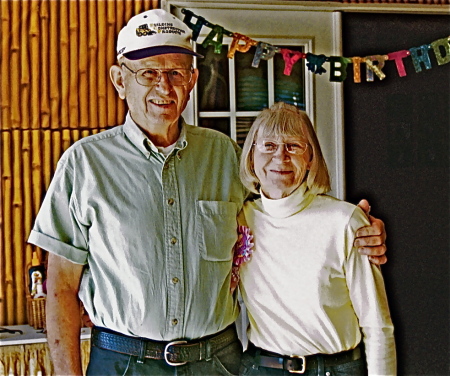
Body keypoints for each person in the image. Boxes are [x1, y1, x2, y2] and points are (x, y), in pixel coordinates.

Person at [27, 9, 387, 376]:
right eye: (148, 73)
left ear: (192, 79)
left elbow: (284, 219)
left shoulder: (226, 156)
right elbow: (60, 290)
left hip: (218, 362)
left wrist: (354, 227)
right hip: (123, 363)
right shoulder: (84, 163)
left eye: (175, 74)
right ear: (120, 80)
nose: (164, 88)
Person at [237, 102, 396, 376]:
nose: (281, 157)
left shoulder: (344, 221)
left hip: (335, 370)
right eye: (269, 146)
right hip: (261, 369)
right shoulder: (240, 219)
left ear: (310, 158)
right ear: (251, 157)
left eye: (293, 146)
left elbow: (377, 324)